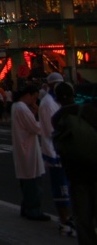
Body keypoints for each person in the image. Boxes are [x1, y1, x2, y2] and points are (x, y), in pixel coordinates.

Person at [52, 82, 97, 244]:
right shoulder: (89, 111)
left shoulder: (57, 118)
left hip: (76, 175)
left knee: (83, 219)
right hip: (95, 168)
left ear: (57, 98)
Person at [39, 72, 76, 237]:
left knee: (69, 187)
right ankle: (64, 220)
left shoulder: (60, 102)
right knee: (61, 187)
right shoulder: (48, 103)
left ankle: (71, 218)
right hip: (55, 150)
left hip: (67, 150)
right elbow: (49, 130)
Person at [12, 84, 49, 221]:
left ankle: (27, 207)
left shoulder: (16, 106)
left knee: (27, 181)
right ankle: (33, 210)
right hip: (28, 148)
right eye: (34, 98)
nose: (34, 101)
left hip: (23, 147)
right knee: (33, 182)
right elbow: (35, 127)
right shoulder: (22, 108)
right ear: (28, 95)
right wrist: (39, 118)